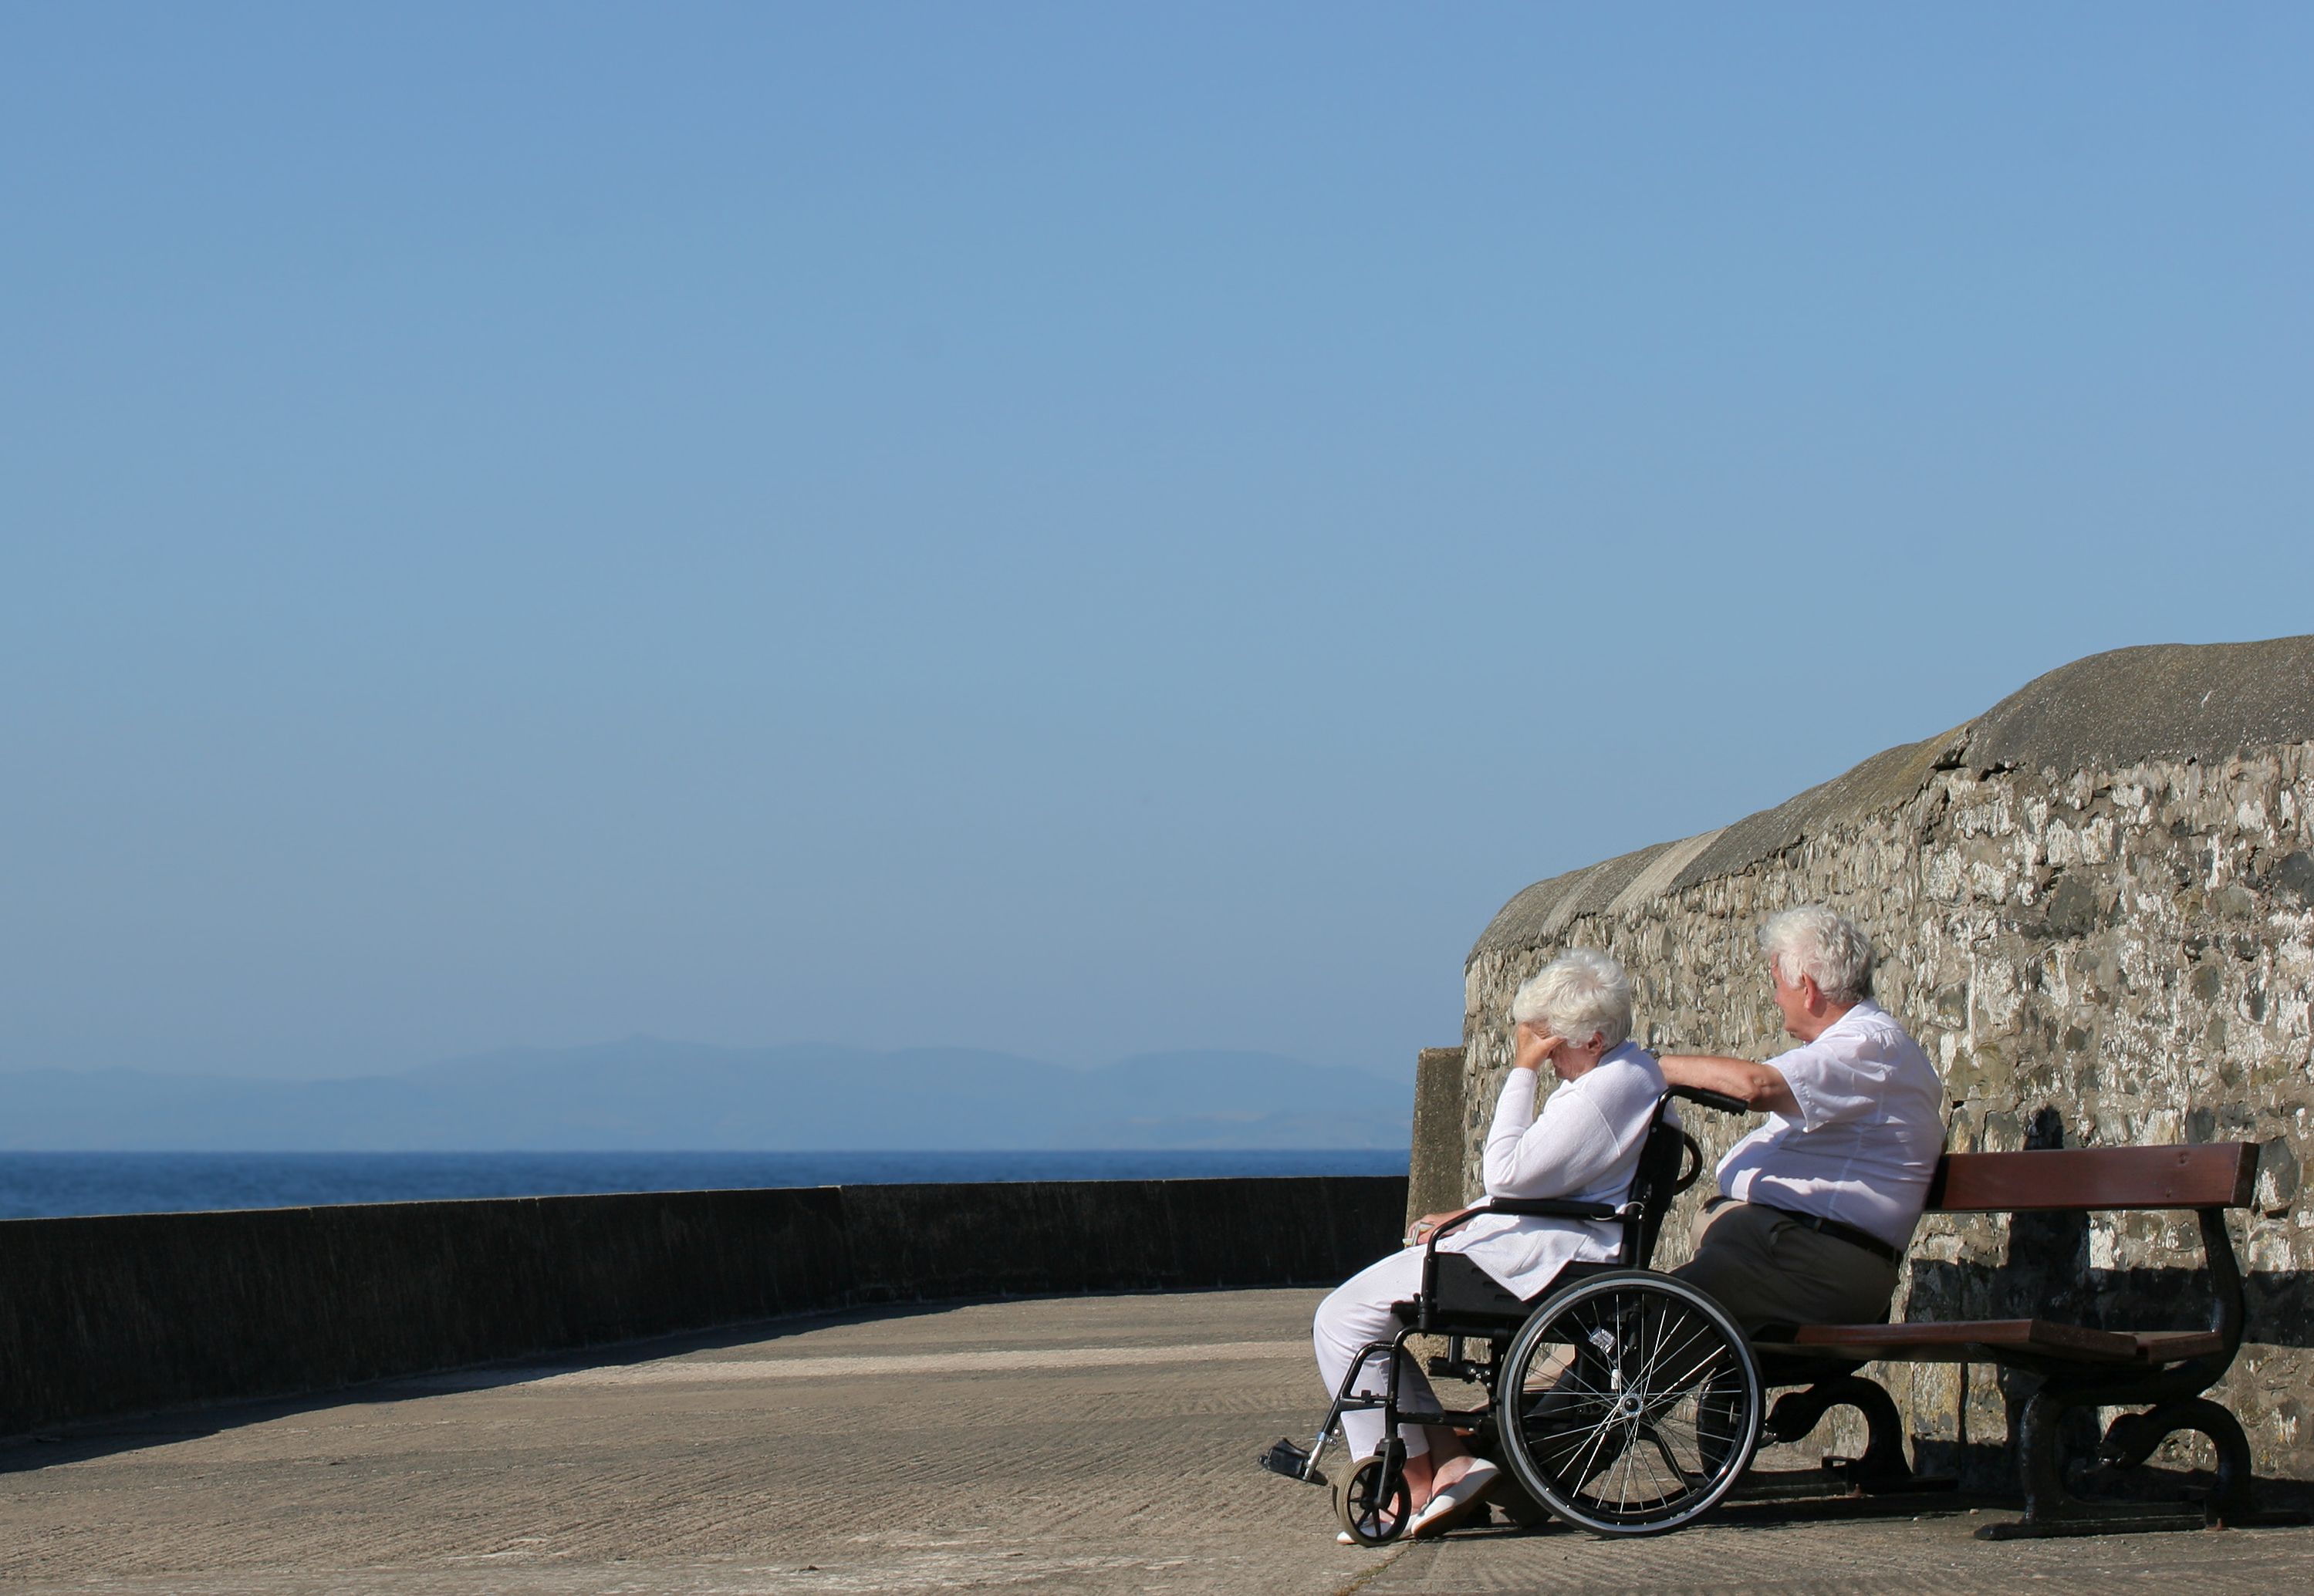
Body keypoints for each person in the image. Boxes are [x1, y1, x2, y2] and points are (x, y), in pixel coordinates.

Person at [1310, 948, 1666, 1542]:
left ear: (1593, 1038)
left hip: (1547, 1260)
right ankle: (1446, 1462)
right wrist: (1467, 1212)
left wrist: (1520, 1071)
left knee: (1343, 1317)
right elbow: (1549, 1182)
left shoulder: (1600, 1092)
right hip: (1549, 1240)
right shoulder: (1624, 1076)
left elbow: (1507, 1173)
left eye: (1552, 1045)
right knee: (1359, 1317)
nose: (1548, 1059)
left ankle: (1406, 1481)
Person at [1660, 904, 1944, 1331]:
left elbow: (1758, 1086)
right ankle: (1549, 1391)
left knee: (1648, 1318)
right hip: (1784, 1253)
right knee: (1630, 1313)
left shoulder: (1868, 1046)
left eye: (1777, 985)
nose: (1775, 1000)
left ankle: (1554, 1395)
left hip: (1814, 1266)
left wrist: (1650, 1066)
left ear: (1807, 988)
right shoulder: (1845, 1051)